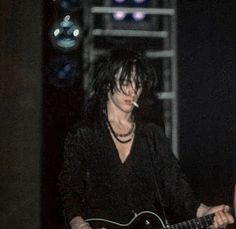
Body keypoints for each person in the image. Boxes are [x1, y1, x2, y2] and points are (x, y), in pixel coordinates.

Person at [59, 48, 234, 229]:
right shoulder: (84, 134)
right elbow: (70, 189)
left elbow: (174, 186)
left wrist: (204, 211)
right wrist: (79, 224)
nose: (133, 90)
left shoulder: (151, 134)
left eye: (138, 83)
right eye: (126, 82)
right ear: (107, 83)